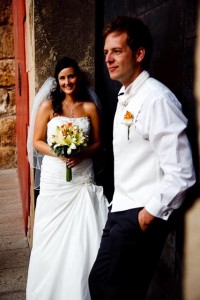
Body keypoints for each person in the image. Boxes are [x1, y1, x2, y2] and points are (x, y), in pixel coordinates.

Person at [89, 16, 196, 300]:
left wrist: (147, 216)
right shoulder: (125, 94)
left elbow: (183, 172)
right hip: (120, 208)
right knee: (99, 283)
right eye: (105, 53)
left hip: (138, 214)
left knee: (118, 294)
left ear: (139, 54)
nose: (108, 59)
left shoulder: (156, 99)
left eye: (116, 51)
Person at [26, 56, 108, 300]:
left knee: (85, 233)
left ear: (78, 77)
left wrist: (80, 152)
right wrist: (60, 152)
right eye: (62, 77)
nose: (67, 81)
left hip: (82, 176)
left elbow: (98, 143)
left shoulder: (90, 107)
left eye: (71, 76)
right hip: (55, 178)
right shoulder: (49, 107)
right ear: (57, 80)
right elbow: (37, 141)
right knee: (52, 235)